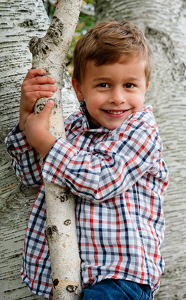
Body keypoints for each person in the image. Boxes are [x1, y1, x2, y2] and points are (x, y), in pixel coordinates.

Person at [5, 21, 168, 300]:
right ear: (79, 88)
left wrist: (45, 141)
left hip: (122, 278)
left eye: (129, 85)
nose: (118, 98)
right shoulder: (69, 129)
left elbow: (102, 179)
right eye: (103, 84)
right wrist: (27, 123)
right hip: (72, 276)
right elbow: (32, 175)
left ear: (145, 87)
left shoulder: (142, 129)